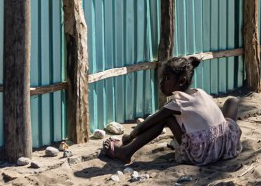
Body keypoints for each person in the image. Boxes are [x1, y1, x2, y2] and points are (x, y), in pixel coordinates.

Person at [102, 56, 242, 166]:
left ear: (181, 81)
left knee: (166, 118)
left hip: (201, 154)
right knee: (232, 101)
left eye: (167, 78)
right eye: (162, 78)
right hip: (225, 146)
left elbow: (149, 123)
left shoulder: (178, 102)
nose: (162, 82)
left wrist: (130, 137)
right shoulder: (200, 92)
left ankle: (126, 152)